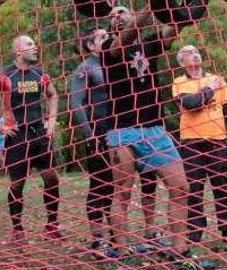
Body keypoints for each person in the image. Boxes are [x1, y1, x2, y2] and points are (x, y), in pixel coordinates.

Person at [100, 6, 200, 268]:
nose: (117, 16)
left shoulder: (149, 43)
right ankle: (119, 252)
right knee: (122, 192)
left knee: (181, 186)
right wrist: (152, 2)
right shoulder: (109, 47)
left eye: (122, 11)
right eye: (113, 14)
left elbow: (173, 29)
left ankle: (180, 252)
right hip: (122, 130)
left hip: (154, 128)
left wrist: (188, 6)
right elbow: (129, 34)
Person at [68, 27, 160, 258]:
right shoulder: (86, 68)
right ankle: (98, 240)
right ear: (90, 45)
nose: (108, 37)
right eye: (101, 36)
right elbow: (76, 103)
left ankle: (119, 237)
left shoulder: (118, 62)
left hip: (123, 131)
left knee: (123, 186)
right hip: (99, 132)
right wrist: (90, 135)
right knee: (101, 185)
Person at [0, 35, 62, 244]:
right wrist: (0, 127)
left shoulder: (40, 74)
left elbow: (53, 95)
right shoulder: (4, 74)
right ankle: (18, 229)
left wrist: (52, 119)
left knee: (52, 178)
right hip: (17, 136)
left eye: (35, 44)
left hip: (39, 133)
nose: (35, 47)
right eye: (30, 44)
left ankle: (52, 225)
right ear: (18, 51)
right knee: (17, 184)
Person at [173, 45, 227, 245]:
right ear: (182, 62)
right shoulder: (179, 83)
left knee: (221, 187)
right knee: (194, 189)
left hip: (218, 141)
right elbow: (191, 104)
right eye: (189, 53)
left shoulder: (217, 79)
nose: (195, 54)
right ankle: (195, 231)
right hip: (191, 143)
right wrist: (210, 89)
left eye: (196, 51)